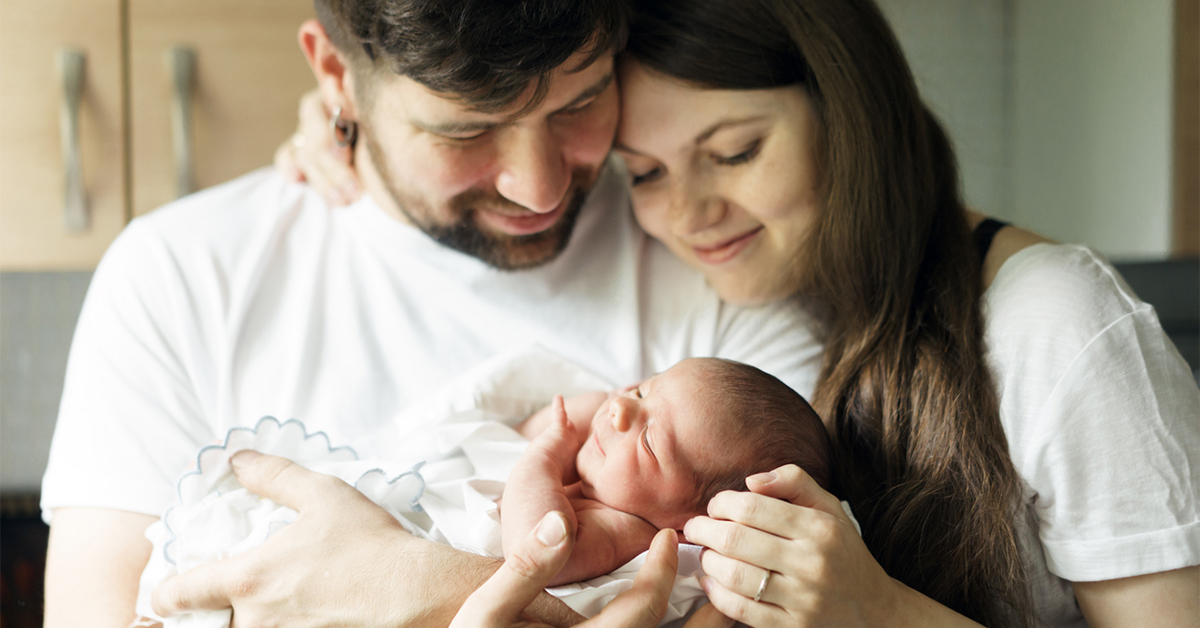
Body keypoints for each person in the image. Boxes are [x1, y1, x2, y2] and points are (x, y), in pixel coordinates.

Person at [273, 0, 1200, 626]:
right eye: (646, 172)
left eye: (737, 151)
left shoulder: (1058, 328)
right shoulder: (757, 304)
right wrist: (346, 125)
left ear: (849, 109)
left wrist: (883, 615)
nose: (689, 214)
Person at [39, 2, 826, 627]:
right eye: (467, 129)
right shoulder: (180, 276)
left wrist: (407, 587)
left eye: (579, 102)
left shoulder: (715, 264)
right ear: (334, 76)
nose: (539, 187)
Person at [134, 356, 834, 626]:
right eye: (643, 391)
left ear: (690, 523)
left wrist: (545, 454)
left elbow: (531, 545)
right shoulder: (611, 464)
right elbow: (499, 428)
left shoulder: (632, 535)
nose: (618, 411)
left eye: (650, 439)